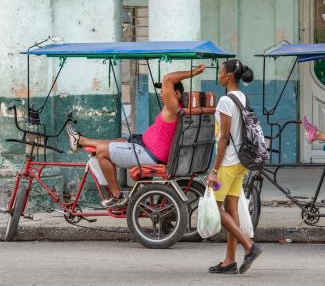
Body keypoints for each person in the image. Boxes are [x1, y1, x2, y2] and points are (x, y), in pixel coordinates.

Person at [66, 64, 207, 208]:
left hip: (149, 153)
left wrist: (195, 72)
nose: (161, 94)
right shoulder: (175, 108)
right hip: (144, 146)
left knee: (102, 152)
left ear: (176, 94)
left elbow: (168, 78)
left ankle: (116, 196)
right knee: (119, 140)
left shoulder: (173, 108)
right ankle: (80, 140)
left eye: (165, 91)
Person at [206, 59, 263, 275]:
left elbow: (223, 138)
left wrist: (214, 170)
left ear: (229, 75)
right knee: (231, 209)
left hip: (228, 162)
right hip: (242, 162)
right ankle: (229, 260)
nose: (218, 75)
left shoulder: (225, 101)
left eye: (221, 72)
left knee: (215, 206)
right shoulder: (243, 97)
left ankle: (249, 246)